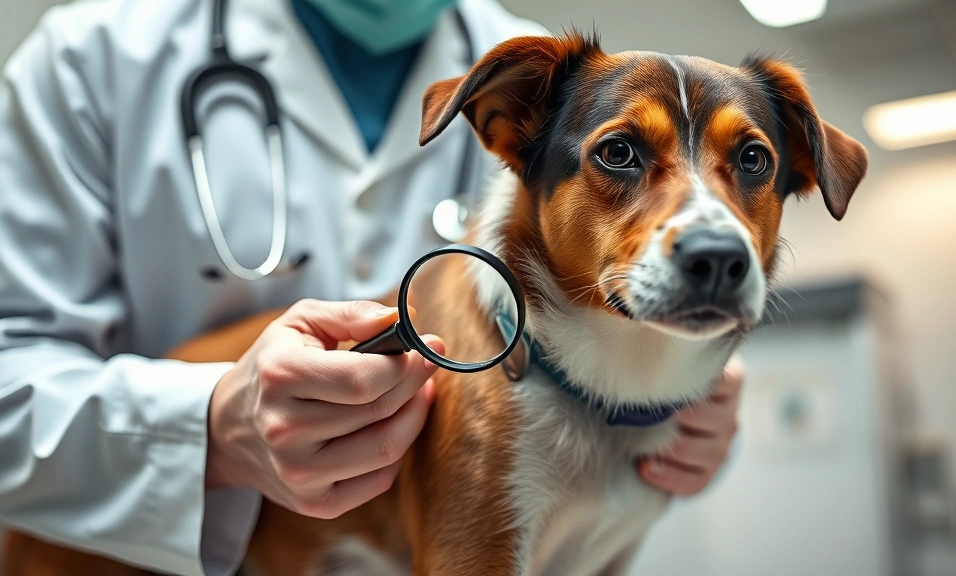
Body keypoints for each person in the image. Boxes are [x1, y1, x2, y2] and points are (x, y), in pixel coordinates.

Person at [0, 0, 745, 574]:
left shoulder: (552, 77)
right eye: (618, 155)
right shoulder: (93, 56)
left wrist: (674, 385)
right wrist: (209, 432)